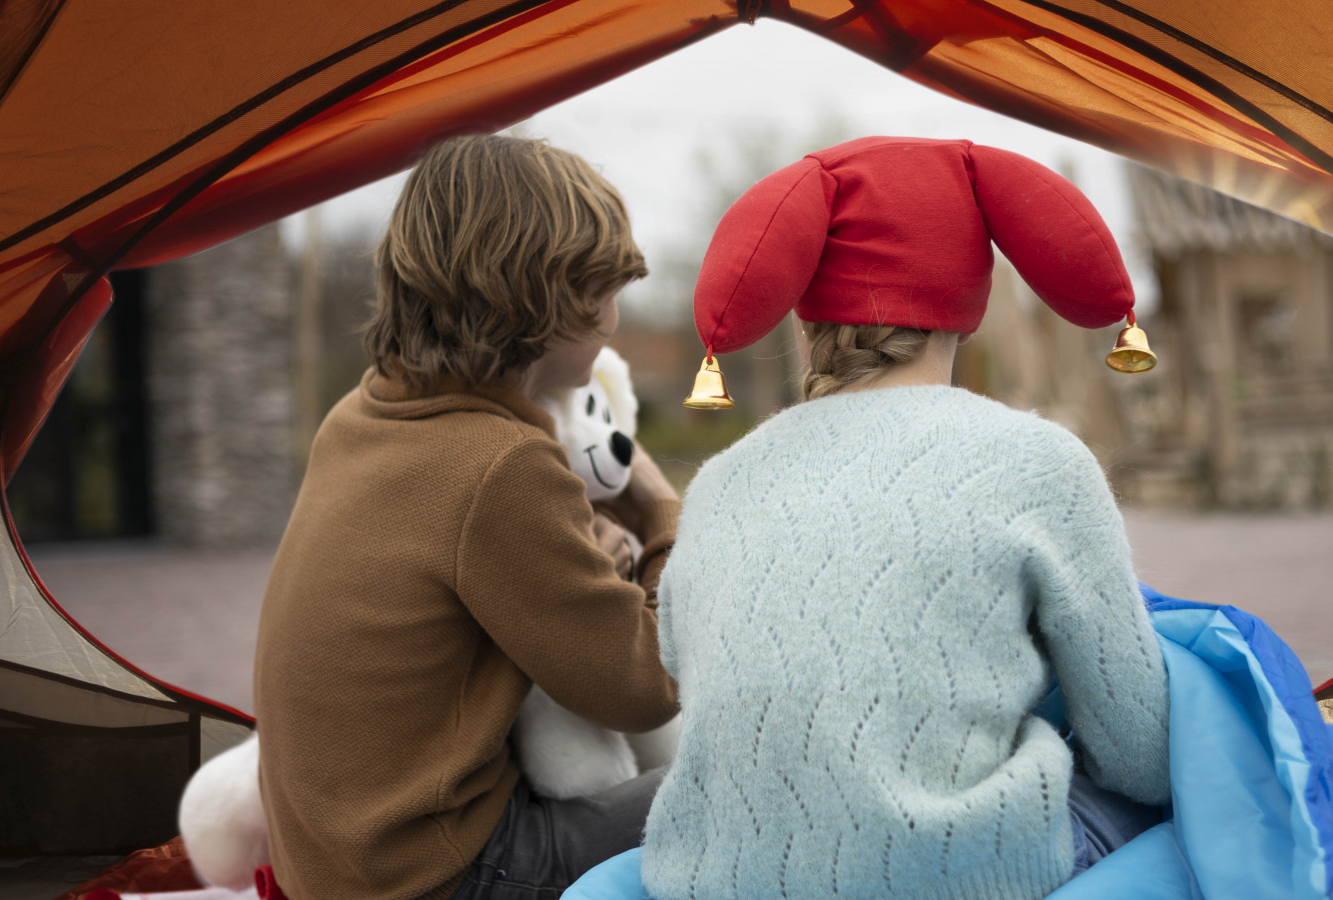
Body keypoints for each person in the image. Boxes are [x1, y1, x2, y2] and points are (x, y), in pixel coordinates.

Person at [641, 136, 1170, 900]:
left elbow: (682, 663)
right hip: (957, 872)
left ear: (806, 301)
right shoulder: (1035, 462)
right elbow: (1138, 752)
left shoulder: (721, 481)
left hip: (708, 878)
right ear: (968, 286)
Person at [253, 134, 681, 900]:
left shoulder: (364, 412)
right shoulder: (499, 464)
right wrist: (661, 512)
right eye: (598, 291)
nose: (614, 321)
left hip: (332, 866)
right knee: (770, 780)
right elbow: (648, 682)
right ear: (534, 294)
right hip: (438, 876)